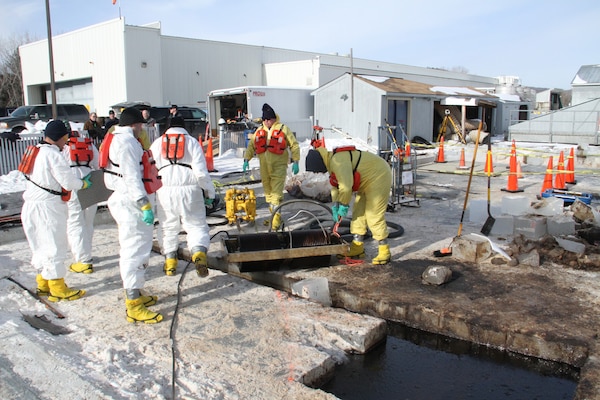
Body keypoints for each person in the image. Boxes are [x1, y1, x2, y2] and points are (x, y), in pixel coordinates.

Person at [102, 107, 163, 324]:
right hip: (130, 202)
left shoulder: (117, 139)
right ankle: (133, 303)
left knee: (139, 248)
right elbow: (131, 177)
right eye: (141, 126)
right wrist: (143, 204)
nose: (142, 130)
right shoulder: (127, 143)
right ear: (135, 124)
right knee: (133, 250)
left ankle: (137, 291)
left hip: (127, 200)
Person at [20, 120, 92, 302]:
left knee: (39, 245)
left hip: (30, 205)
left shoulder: (34, 151)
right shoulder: (53, 155)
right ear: (62, 137)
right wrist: (83, 183)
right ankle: (57, 287)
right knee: (54, 245)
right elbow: (68, 182)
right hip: (48, 207)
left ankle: (43, 282)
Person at [149, 116, 216, 277]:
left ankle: (170, 260)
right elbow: (201, 172)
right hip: (190, 188)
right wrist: (209, 193)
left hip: (165, 189)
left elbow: (150, 169)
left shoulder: (157, 143)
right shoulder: (192, 142)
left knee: (168, 227)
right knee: (196, 225)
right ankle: (199, 253)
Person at [305, 145, 393, 265]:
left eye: (317, 170)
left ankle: (384, 251)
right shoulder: (332, 162)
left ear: (320, 164)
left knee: (373, 215)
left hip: (379, 176)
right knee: (358, 213)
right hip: (367, 181)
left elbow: (346, 187)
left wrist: (343, 205)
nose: (318, 172)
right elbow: (336, 186)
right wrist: (336, 205)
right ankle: (358, 246)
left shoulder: (338, 161)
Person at [242, 103, 300, 230]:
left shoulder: (283, 129)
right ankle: (273, 216)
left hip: (279, 166)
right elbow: (251, 146)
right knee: (268, 193)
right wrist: (246, 159)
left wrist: (296, 161)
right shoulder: (259, 131)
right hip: (264, 167)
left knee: (276, 194)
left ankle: (276, 221)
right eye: (265, 119)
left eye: (269, 119)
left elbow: (294, 145)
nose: (267, 121)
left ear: (274, 118)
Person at [63, 131, 100, 274]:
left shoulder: (63, 148)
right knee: (88, 222)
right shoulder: (89, 145)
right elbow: (98, 164)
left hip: (73, 186)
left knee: (75, 223)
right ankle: (87, 254)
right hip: (90, 183)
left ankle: (82, 260)